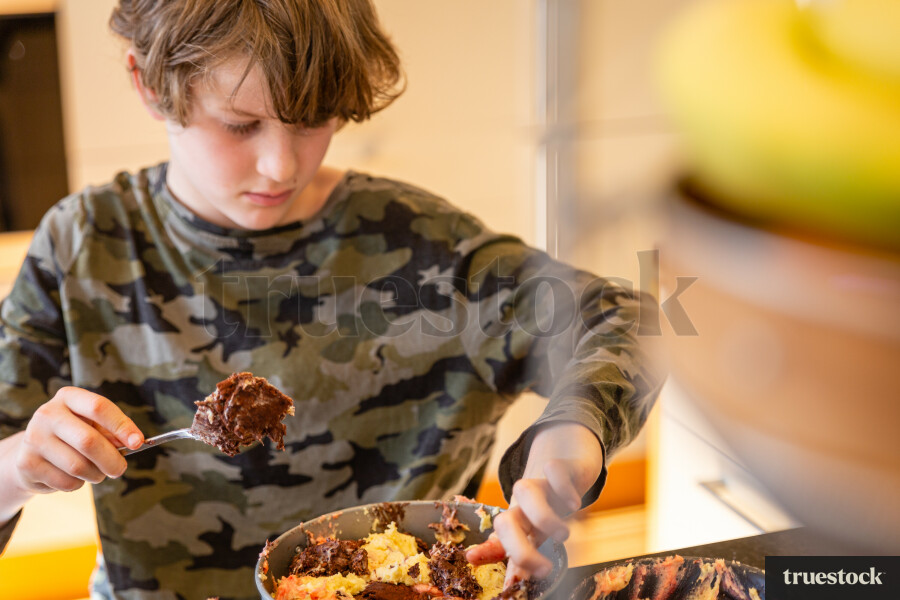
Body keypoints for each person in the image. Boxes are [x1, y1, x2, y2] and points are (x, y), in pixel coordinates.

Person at [0, 1, 664, 598]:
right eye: (241, 124)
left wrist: (568, 439)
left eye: (315, 119)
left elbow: (628, 318)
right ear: (148, 82)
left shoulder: (428, 250)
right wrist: (19, 466)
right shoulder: (83, 246)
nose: (283, 166)